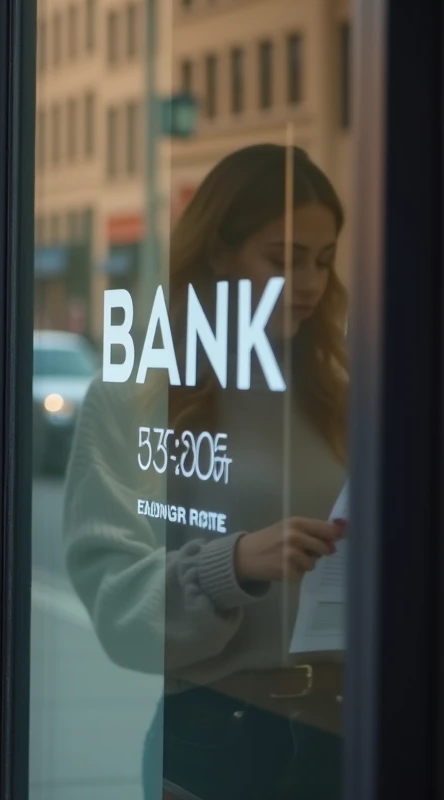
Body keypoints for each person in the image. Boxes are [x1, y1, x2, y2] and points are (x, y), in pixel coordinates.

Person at [63, 144, 348, 800]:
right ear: (220, 253)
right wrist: (235, 564)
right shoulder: (134, 399)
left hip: (359, 730)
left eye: (324, 261)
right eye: (284, 259)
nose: (309, 283)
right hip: (224, 736)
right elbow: (115, 606)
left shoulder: (343, 397)